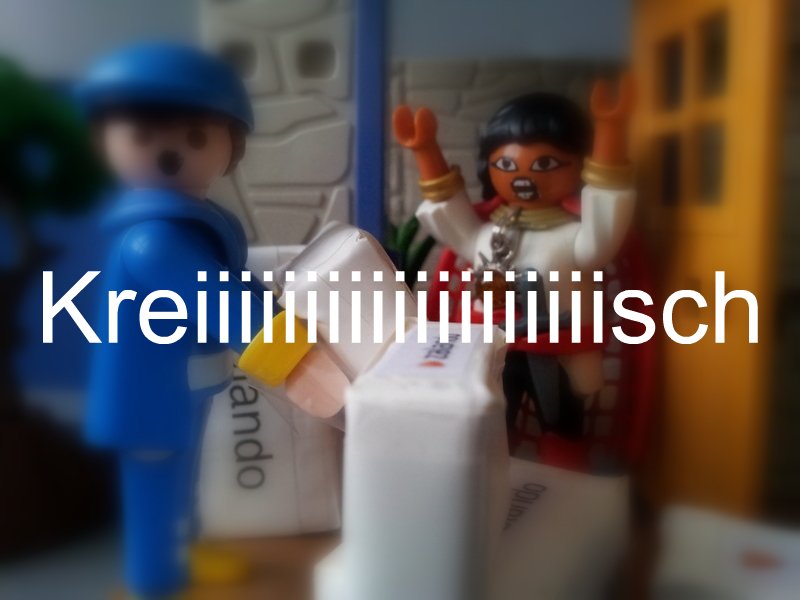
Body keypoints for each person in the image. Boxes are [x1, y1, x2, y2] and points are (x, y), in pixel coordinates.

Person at [78, 42, 337, 599]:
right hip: (148, 393)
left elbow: (232, 284)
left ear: (228, 147)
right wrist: (289, 350)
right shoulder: (153, 238)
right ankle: (153, 574)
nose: (172, 154)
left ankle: (184, 551)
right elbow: (216, 298)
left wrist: (282, 311)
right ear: (107, 143)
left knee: (185, 475)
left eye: (196, 138)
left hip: (183, 380)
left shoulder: (192, 223)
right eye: (145, 136)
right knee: (156, 482)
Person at [393, 76, 635, 439]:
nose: (523, 176)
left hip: (558, 352)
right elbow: (450, 216)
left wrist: (610, 132)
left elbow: (605, 229)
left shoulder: (574, 237)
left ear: (578, 165)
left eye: (545, 163)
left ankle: (563, 459)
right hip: (490, 350)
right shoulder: (484, 234)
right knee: (490, 424)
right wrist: (425, 150)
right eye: (505, 165)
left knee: (562, 426)